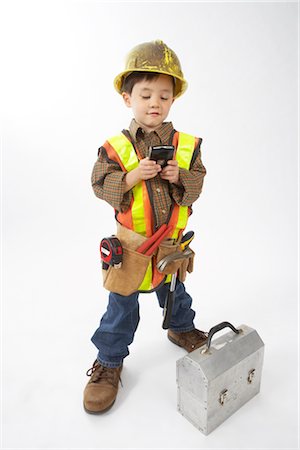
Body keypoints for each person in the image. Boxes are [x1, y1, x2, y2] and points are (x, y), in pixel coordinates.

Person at [83, 40, 207, 414]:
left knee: (175, 295)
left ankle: (180, 327)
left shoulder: (186, 146)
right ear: (127, 98)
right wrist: (133, 176)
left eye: (164, 96)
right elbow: (98, 184)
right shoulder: (115, 148)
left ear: (173, 100)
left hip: (170, 247)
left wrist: (179, 176)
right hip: (132, 250)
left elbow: (197, 184)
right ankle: (108, 361)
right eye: (146, 94)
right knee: (121, 307)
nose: (155, 103)